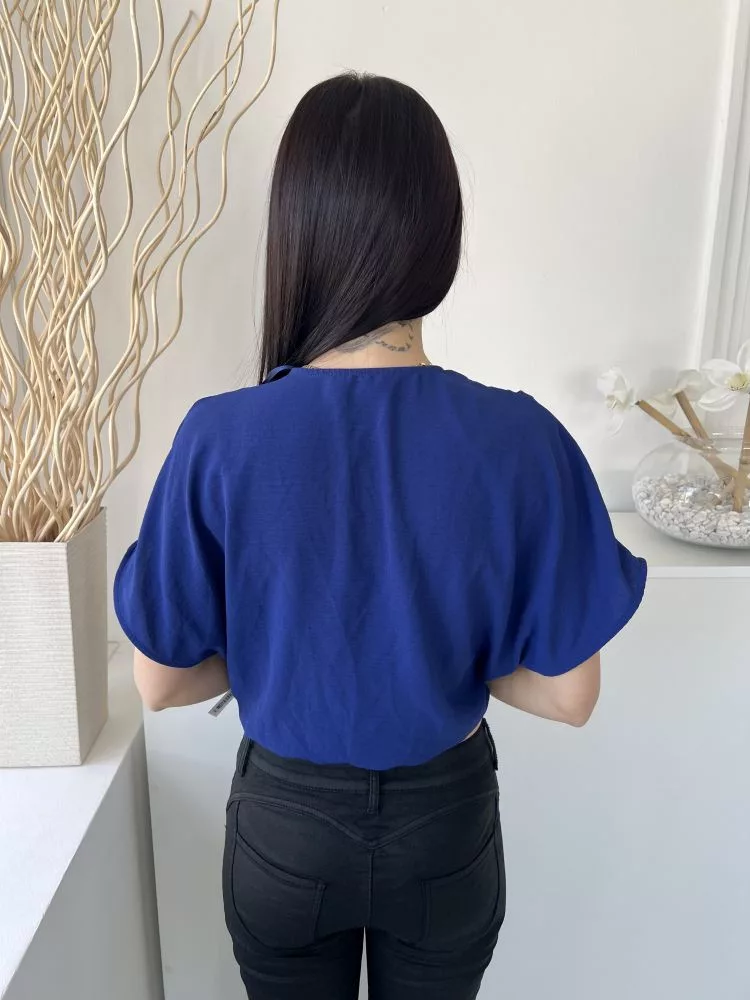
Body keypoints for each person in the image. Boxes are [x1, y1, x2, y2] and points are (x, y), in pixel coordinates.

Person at [114, 72, 647, 1000]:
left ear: (297, 233)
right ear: (440, 234)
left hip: (285, 829)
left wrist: (282, 655)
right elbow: (571, 697)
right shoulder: (522, 439)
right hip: (444, 827)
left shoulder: (219, 437)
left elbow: (159, 683)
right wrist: (440, 659)